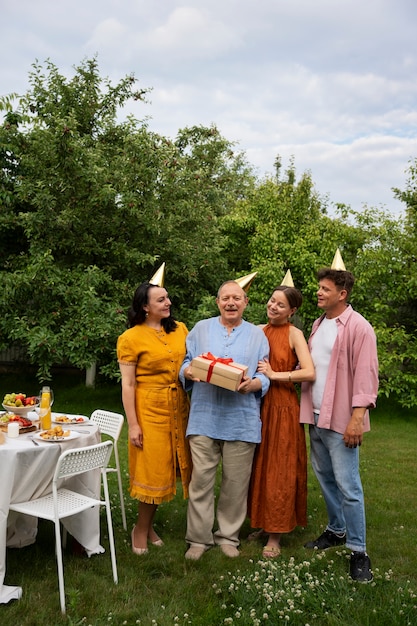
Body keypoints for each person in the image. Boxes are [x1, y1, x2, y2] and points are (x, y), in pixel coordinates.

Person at [300, 251, 378, 582]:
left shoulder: (359, 327)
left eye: (325, 288)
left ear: (341, 294)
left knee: (349, 486)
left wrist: (357, 417)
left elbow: (366, 375)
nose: (318, 292)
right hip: (315, 417)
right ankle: (336, 530)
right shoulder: (319, 324)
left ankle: (359, 551)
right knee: (326, 479)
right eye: (319, 287)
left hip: (342, 420)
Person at [179, 278, 270, 560]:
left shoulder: (257, 335)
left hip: (241, 420)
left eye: (237, 298)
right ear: (217, 302)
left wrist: (255, 384)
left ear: (245, 303)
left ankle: (228, 536)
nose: (231, 302)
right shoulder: (200, 329)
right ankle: (198, 539)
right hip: (204, 417)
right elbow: (186, 362)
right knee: (201, 481)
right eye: (225, 298)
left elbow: (264, 373)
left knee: (235, 484)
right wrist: (188, 372)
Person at [117, 264, 192, 555]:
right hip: (149, 409)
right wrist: (134, 425)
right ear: (145, 307)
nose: (168, 302)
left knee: (165, 471)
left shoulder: (180, 330)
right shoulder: (130, 338)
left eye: (168, 298)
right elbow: (128, 385)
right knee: (151, 472)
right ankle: (140, 528)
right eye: (161, 300)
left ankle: (148, 526)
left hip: (178, 407)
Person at [248, 280, 316, 558]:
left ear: (292, 310)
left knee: (279, 468)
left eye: (280, 304)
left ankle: (275, 534)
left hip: (283, 409)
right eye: (271, 300)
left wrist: (275, 375)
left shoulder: (294, 334)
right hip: (256, 406)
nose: (272, 306)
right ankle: (263, 522)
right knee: (259, 466)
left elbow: (309, 372)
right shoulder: (257, 331)